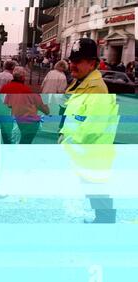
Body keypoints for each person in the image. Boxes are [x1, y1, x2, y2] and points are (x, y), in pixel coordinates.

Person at [59, 38, 120, 224]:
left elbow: (92, 126)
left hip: (91, 150)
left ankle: (106, 221)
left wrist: (67, 144)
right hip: (84, 149)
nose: (72, 65)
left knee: (96, 186)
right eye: (71, 61)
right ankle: (104, 219)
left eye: (77, 61)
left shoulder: (96, 88)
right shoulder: (81, 82)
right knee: (92, 186)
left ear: (92, 63)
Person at [1, 66, 50, 144]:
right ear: (23, 77)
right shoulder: (26, 90)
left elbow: (7, 105)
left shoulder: (4, 88)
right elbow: (45, 109)